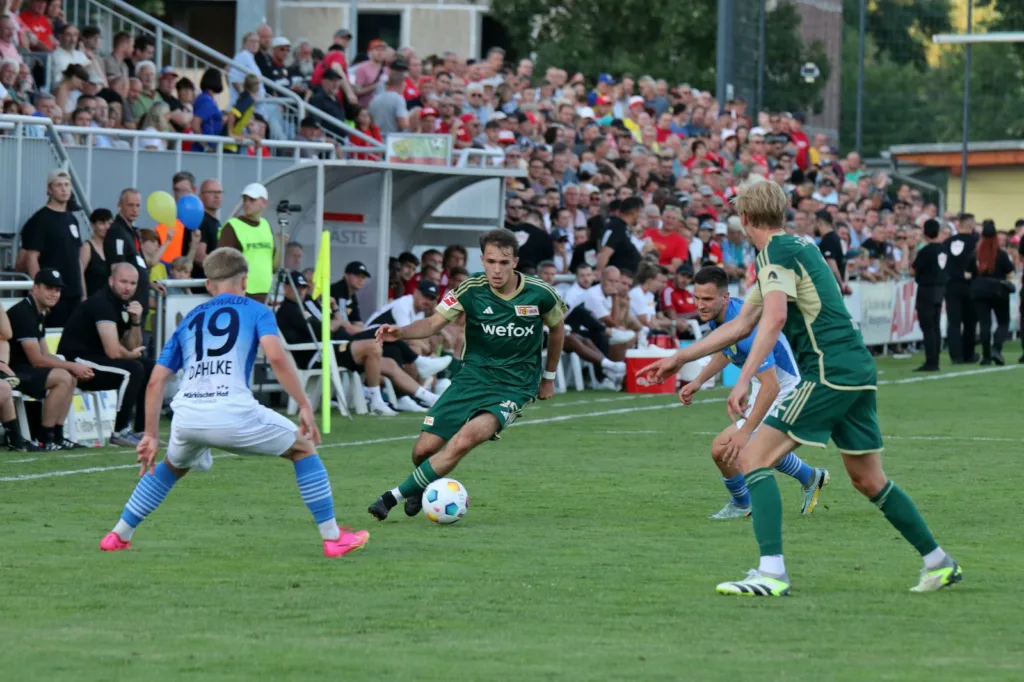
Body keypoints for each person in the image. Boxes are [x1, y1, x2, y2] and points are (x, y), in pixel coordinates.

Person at [638, 180, 960, 596]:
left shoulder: (776, 252)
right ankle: (939, 562)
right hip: (855, 367)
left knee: (752, 456)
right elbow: (742, 323)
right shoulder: (793, 247)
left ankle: (772, 573)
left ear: (746, 218)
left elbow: (771, 320)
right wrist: (679, 359)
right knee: (867, 479)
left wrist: (742, 379)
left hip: (829, 371)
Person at [98, 248, 369, 557]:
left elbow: (157, 380)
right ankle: (333, 537)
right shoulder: (256, 310)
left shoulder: (190, 319)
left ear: (210, 284)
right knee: (303, 448)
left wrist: (149, 434)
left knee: (172, 467)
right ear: (244, 280)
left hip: (187, 416)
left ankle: (118, 534)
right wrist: (304, 404)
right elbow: (277, 357)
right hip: (231, 412)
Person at [367, 229, 567, 521]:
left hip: (513, 386)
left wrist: (548, 377)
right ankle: (420, 489)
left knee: (463, 440)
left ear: (515, 262)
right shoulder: (470, 288)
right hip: (471, 378)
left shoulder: (540, 292)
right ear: (482, 260)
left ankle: (390, 497)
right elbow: (434, 322)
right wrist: (400, 332)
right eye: (490, 261)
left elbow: (558, 328)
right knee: (423, 450)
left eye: (503, 262)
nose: (496, 269)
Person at [676, 266, 829, 518]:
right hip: (767, 386)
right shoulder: (725, 316)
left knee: (725, 448)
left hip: (786, 391)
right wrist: (699, 381)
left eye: (707, 299)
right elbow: (728, 349)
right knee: (759, 449)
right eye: (697, 297)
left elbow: (772, 385)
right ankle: (810, 477)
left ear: (724, 297)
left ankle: (743, 504)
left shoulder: (744, 325)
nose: (700, 305)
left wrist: (745, 432)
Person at [57, 263, 154, 446]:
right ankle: (120, 431)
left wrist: (135, 322)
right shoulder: (102, 303)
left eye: (132, 283)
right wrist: (132, 355)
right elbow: (113, 351)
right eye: (123, 281)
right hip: (78, 360)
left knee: (150, 367)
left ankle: (141, 430)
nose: (127, 287)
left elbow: (133, 345)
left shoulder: (123, 304)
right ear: (111, 281)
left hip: (99, 359)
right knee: (133, 369)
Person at [6, 270, 91, 450]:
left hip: (26, 369)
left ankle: (58, 436)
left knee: (70, 375)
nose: (54, 294)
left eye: (57, 290)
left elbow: (45, 354)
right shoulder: (23, 312)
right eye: (49, 288)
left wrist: (73, 367)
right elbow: (37, 360)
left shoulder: (38, 312)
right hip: (13, 372)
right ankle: (45, 436)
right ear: (35, 288)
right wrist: (71, 365)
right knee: (63, 377)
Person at [17, 169, 84, 326]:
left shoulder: (72, 219)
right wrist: (39, 292)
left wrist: (83, 293)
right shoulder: (40, 219)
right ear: (49, 189)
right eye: (58, 185)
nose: (63, 189)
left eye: (67, 185)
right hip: (52, 293)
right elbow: (32, 258)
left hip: (73, 293)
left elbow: (77, 258)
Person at [215, 183, 279, 303]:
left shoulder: (266, 225)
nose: (247, 203)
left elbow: (272, 265)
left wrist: (283, 247)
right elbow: (222, 263)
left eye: (252, 200)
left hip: (264, 292)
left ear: (264, 203)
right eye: (245, 199)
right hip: (241, 293)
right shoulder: (232, 226)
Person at [105, 187, 156, 327]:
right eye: (130, 205)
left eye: (138, 205)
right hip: (128, 306)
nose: (135, 209)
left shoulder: (132, 231)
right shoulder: (117, 232)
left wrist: (150, 283)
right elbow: (117, 267)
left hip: (139, 303)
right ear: (119, 205)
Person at [967, 220, 1014, 366]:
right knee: (1003, 322)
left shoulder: (975, 255)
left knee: (984, 324)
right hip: (998, 291)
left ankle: (986, 356)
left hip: (980, 291)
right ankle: (996, 348)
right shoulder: (1001, 254)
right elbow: (1010, 273)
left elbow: (967, 275)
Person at [911, 219, 948, 372]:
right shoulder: (944, 249)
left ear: (924, 232)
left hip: (926, 289)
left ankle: (931, 361)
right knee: (935, 326)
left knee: (927, 327)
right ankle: (935, 359)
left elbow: (913, 270)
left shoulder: (925, 251)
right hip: (940, 289)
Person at [943, 214, 978, 365]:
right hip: (971, 286)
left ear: (959, 225)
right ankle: (968, 355)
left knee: (954, 322)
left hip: (951, 286)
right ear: (971, 226)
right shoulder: (976, 242)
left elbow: (943, 263)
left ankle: (956, 356)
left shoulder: (948, 242)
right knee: (970, 322)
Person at [79, 208, 112, 297]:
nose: (107, 227)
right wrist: (83, 296)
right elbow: (79, 273)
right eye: (102, 223)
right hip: (91, 299)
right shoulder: (87, 247)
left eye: (109, 223)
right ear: (93, 225)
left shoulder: (111, 249)